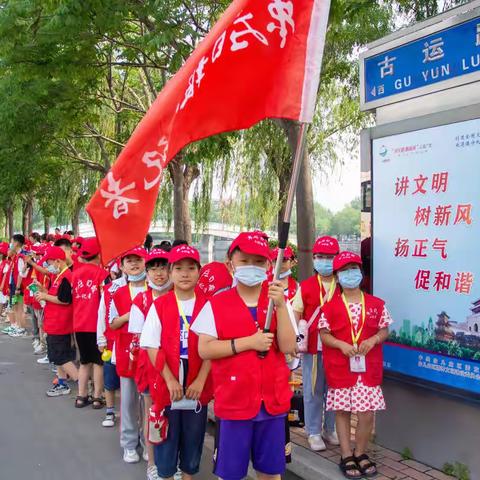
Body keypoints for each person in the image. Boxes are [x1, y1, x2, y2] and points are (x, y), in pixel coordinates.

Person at [193, 232, 297, 480]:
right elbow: (205, 348)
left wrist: (281, 307)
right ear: (231, 265)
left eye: (259, 262)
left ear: (269, 266)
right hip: (234, 404)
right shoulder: (217, 303)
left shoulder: (278, 301)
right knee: (231, 473)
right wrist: (247, 343)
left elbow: (288, 346)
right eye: (245, 261)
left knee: (271, 472)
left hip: (273, 403)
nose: (252, 267)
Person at [141, 244, 212, 480]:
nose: (185, 273)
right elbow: (152, 345)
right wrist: (169, 379)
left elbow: (214, 346)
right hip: (166, 381)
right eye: (179, 268)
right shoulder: (160, 305)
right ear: (171, 272)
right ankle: (165, 473)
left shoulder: (208, 304)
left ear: (199, 272)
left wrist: (201, 380)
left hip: (197, 382)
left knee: (193, 441)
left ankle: (188, 474)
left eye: (191, 268)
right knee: (166, 441)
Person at [319, 251, 392, 479]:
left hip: (367, 368)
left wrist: (373, 340)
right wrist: (340, 344)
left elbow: (384, 329)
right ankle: (345, 454)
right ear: (337, 276)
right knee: (343, 412)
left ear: (361, 272)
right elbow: (324, 335)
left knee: (366, 414)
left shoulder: (376, 304)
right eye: (344, 270)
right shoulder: (329, 307)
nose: (350, 274)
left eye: (354, 269)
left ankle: (360, 452)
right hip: (341, 367)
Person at [292, 235, 340, 451]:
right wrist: (298, 338)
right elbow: (297, 313)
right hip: (313, 347)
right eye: (320, 256)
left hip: (338, 347)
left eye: (330, 257)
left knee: (335, 390)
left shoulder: (344, 285)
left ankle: (330, 429)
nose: (324, 261)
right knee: (313, 390)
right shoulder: (307, 285)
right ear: (314, 258)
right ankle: (313, 431)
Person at [128, 248, 171, 480]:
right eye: (153, 268)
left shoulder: (179, 295)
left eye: (163, 267)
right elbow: (137, 337)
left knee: (173, 415)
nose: (158, 273)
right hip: (149, 366)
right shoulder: (141, 300)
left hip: (175, 366)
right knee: (151, 413)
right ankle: (152, 463)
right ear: (147, 272)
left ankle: (170, 462)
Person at [109, 246, 148, 463]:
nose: (134, 264)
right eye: (129, 261)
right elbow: (112, 322)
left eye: (138, 260)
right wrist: (129, 315)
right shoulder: (119, 292)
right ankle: (129, 443)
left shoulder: (155, 289)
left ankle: (147, 441)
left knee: (149, 400)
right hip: (127, 350)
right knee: (128, 399)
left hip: (150, 352)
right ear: (122, 266)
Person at [34, 246, 78, 396]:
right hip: (55, 323)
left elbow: (64, 300)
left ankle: (81, 381)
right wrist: (45, 292)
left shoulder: (66, 276)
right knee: (57, 357)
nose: (48, 266)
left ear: (58, 261)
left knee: (61, 357)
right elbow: (57, 295)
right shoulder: (60, 275)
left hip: (60, 324)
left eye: (50, 262)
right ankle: (62, 383)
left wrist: (45, 297)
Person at [72, 237, 109, 408]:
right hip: (97, 325)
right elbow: (108, 300)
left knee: (84, 361)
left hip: (79, 324)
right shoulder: (103, 275)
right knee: (99, 362)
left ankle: (81, 396)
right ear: (98, 254)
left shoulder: (75, 274)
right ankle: (97, 397)